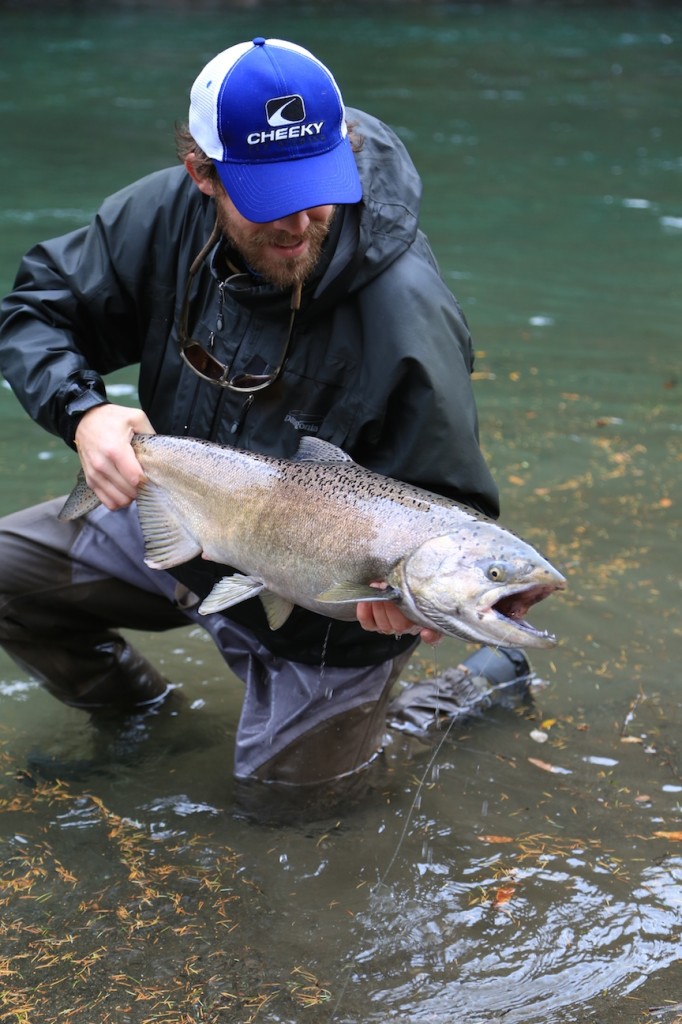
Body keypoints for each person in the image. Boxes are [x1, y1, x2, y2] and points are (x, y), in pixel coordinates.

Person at [0, 37, 529, 800]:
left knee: (291, 813)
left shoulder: (407, 317)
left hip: (320, 615)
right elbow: (33, 312)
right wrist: (84, 415)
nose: (302, 219)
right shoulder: (163, 218)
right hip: (180, 510)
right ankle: (150, 723)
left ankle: (460, 694)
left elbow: (452, 518)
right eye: (269, 193)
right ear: (202, 175)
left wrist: (401, 603)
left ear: (341, 147)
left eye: (317, 184)